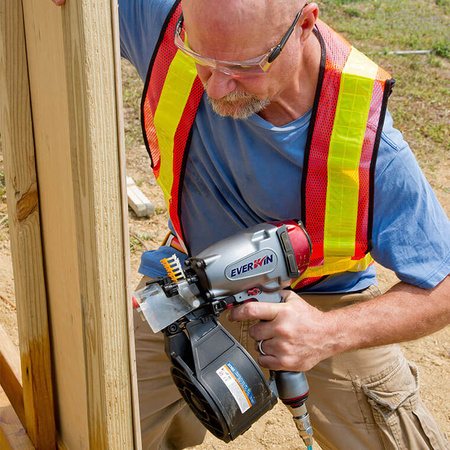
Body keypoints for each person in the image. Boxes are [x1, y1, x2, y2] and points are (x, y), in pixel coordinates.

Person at [53, 0, 450, 448]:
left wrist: (327, 334)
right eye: (202, 58)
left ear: (303, 25)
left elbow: (443, 285)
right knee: (92, 426)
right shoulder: (167, 25)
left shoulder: (366, 142)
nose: (218, 85)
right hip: (191, 283)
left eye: (245, 65)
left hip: (320, 303)